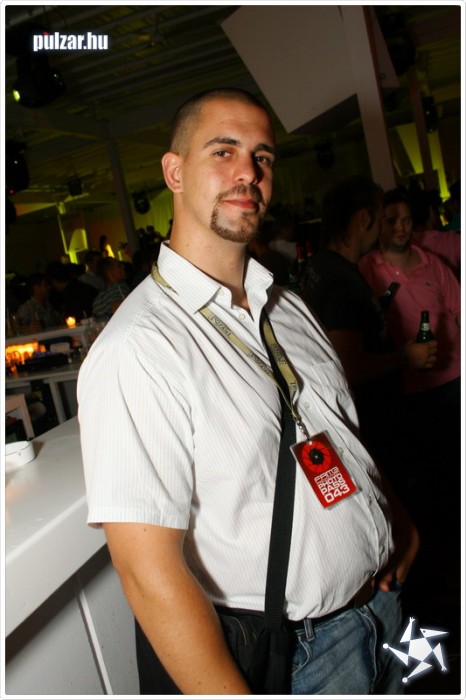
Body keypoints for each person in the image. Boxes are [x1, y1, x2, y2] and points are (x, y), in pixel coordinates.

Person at [78, 89, 419, 696]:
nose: (248, 173)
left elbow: (334, 434)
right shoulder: (139, 348)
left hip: (383, 607)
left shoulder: (288, 307)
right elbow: (149, 573)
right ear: (174, 172)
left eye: (262, 157)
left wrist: (395, 517)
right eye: (223, 151)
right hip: (306, 657)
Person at [301, 175, 436, 480]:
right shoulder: (342, 279)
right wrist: (406, 357)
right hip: (375, 423)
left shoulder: (321, 264)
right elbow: (351, 366)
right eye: (381, 219)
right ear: (364, 219)